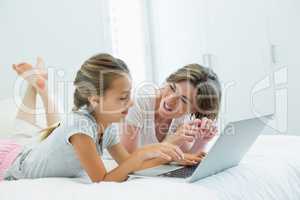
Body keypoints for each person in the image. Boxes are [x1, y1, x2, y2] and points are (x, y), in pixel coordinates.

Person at [0, 54, 203, 183]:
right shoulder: (81, 128)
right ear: (96, 101)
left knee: (35, 130)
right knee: (26, 130)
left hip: (28, 150)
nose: (131, 103)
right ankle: (36, 85)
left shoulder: (108, 126)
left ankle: (37, 84)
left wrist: (171, 157)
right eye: (123, 98)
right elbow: (102, 179)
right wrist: (144, 152)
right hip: (8, 163)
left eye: (129, 96)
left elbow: (128, 163)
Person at [120, 64, 222, 155]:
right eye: (173, 88)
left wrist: (202, 140)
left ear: (196, 110)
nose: (170, 100)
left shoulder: (182, 118)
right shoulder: (138, 104)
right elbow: (127, 162)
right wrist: (169, 143)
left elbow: (187, 158)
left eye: (184, 99)